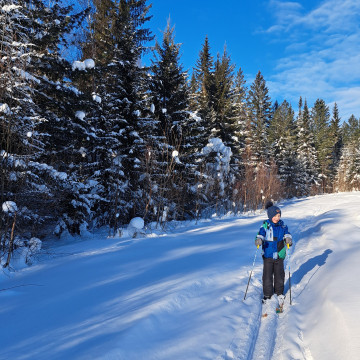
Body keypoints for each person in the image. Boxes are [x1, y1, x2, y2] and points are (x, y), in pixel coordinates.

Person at [255, 201, 292, 305]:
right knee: (267, 276)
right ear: (270, 216)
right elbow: (260, 234)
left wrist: (288, 238)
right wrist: (259, 240)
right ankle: (267, 294)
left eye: (279, 215)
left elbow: (287, 234)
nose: (277, 218)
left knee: (279, 274)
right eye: (275, 216)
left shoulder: (283, 226)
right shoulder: (265, 226)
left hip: (280, 254)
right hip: (268, 255)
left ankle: (279, 292)